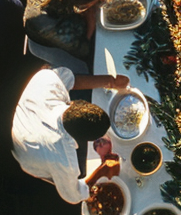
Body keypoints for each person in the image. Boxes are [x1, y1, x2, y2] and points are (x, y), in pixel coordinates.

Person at [11, 64, 128, 203]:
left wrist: (111, 81)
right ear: (80, 141)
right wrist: (102, 171)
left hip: (21, 121)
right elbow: (74, 196)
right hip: (26, 156)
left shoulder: (47, 79)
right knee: (81, 173)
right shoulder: (63, 160)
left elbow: (73, 80)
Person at [25, 0, 121, 61]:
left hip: (58, 12)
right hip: (46, 36)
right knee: (87, 60)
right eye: (90, 5)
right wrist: (91, 23)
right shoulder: (45, 22)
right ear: (80, 6)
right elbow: (82, 51)